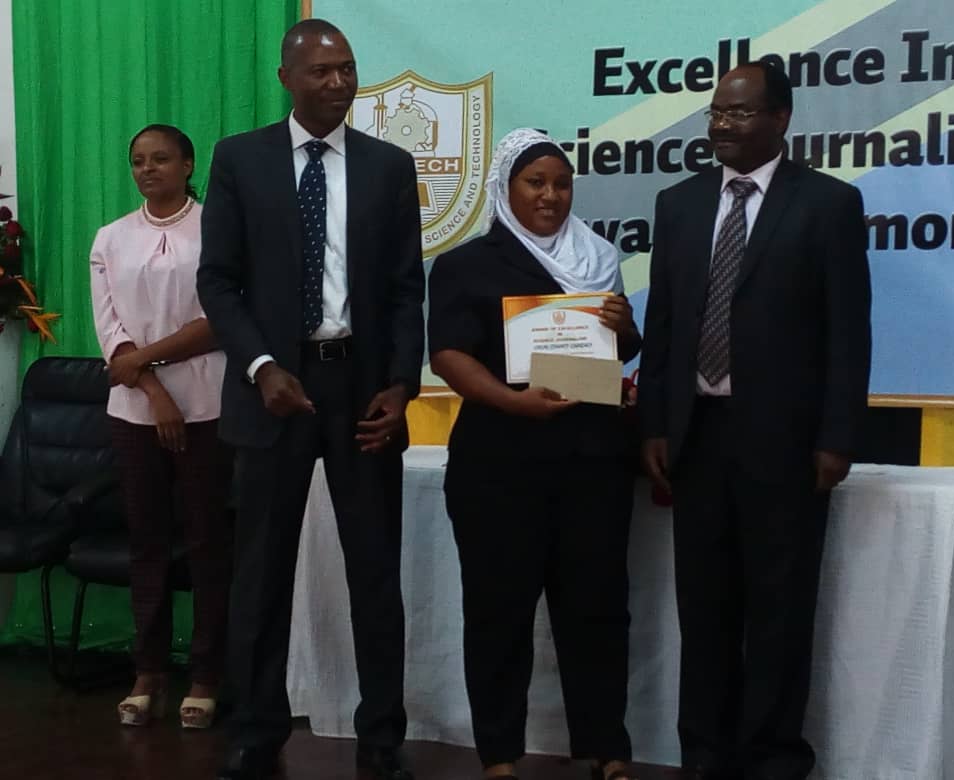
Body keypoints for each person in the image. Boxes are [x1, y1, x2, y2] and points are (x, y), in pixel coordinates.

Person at [196, 18, 424, 780]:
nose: (338, 83)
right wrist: (261, 364)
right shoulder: (240, 160)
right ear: (287, 77)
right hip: (272, 389)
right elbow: (218, 281)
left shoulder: (390, 167)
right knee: (260, 568)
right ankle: (257, 727)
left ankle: (382, 733)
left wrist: (400, 385)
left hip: (362, 387)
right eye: (322, 71)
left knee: (374, 569)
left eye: (348, 70)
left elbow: (402, 291)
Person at [639, 62, 872, 780]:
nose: (721, 126)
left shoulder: (828, 204)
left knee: (778, 609)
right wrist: (653, 425)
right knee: (704, 611)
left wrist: (837, 436)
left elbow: (847, 330)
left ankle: (772, 756)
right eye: (715, 113)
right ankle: (704, 753)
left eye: (738, 115)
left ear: (780, 120)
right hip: (697, 436)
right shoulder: (677, 204)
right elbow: (668, 324)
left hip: (786, 442)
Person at [428, 128, 642, 780]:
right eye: (535, 182)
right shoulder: (466, 264)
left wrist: (623, 329)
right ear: (506, 187)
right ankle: (499, 754)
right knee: (499, 611)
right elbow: (449, 355)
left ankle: (608, 750)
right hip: (499, 463)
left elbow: (619, 351)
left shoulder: (598, 256)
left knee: (598, 609)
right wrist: (511, 401)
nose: (551, 195)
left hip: (593, 461)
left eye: (562, 183)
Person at [89, 123, 232, 731]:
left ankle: (206, 675)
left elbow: (219, 319)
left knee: (209, 543)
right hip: (135, 414)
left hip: (210, 407)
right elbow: (112, 332)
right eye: (139, 161)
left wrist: (148, 364)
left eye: (161, 159)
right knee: (146, 542)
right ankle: (148, 671)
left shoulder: (219, 230)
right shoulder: (110, 238)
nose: (148, 169)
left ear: (188, 164)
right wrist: (151, 390)